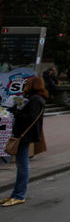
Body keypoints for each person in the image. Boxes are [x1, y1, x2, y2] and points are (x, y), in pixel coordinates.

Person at [3, 76, 48, 207]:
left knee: (22, 165)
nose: (25, 85)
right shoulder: (34, 98)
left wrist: (16, 111)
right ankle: (15, 194)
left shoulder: (35, 100)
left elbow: (30, 118)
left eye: (27, 83)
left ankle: (19, 195)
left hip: (25, 135)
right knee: (20, 164)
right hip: (24, 135)